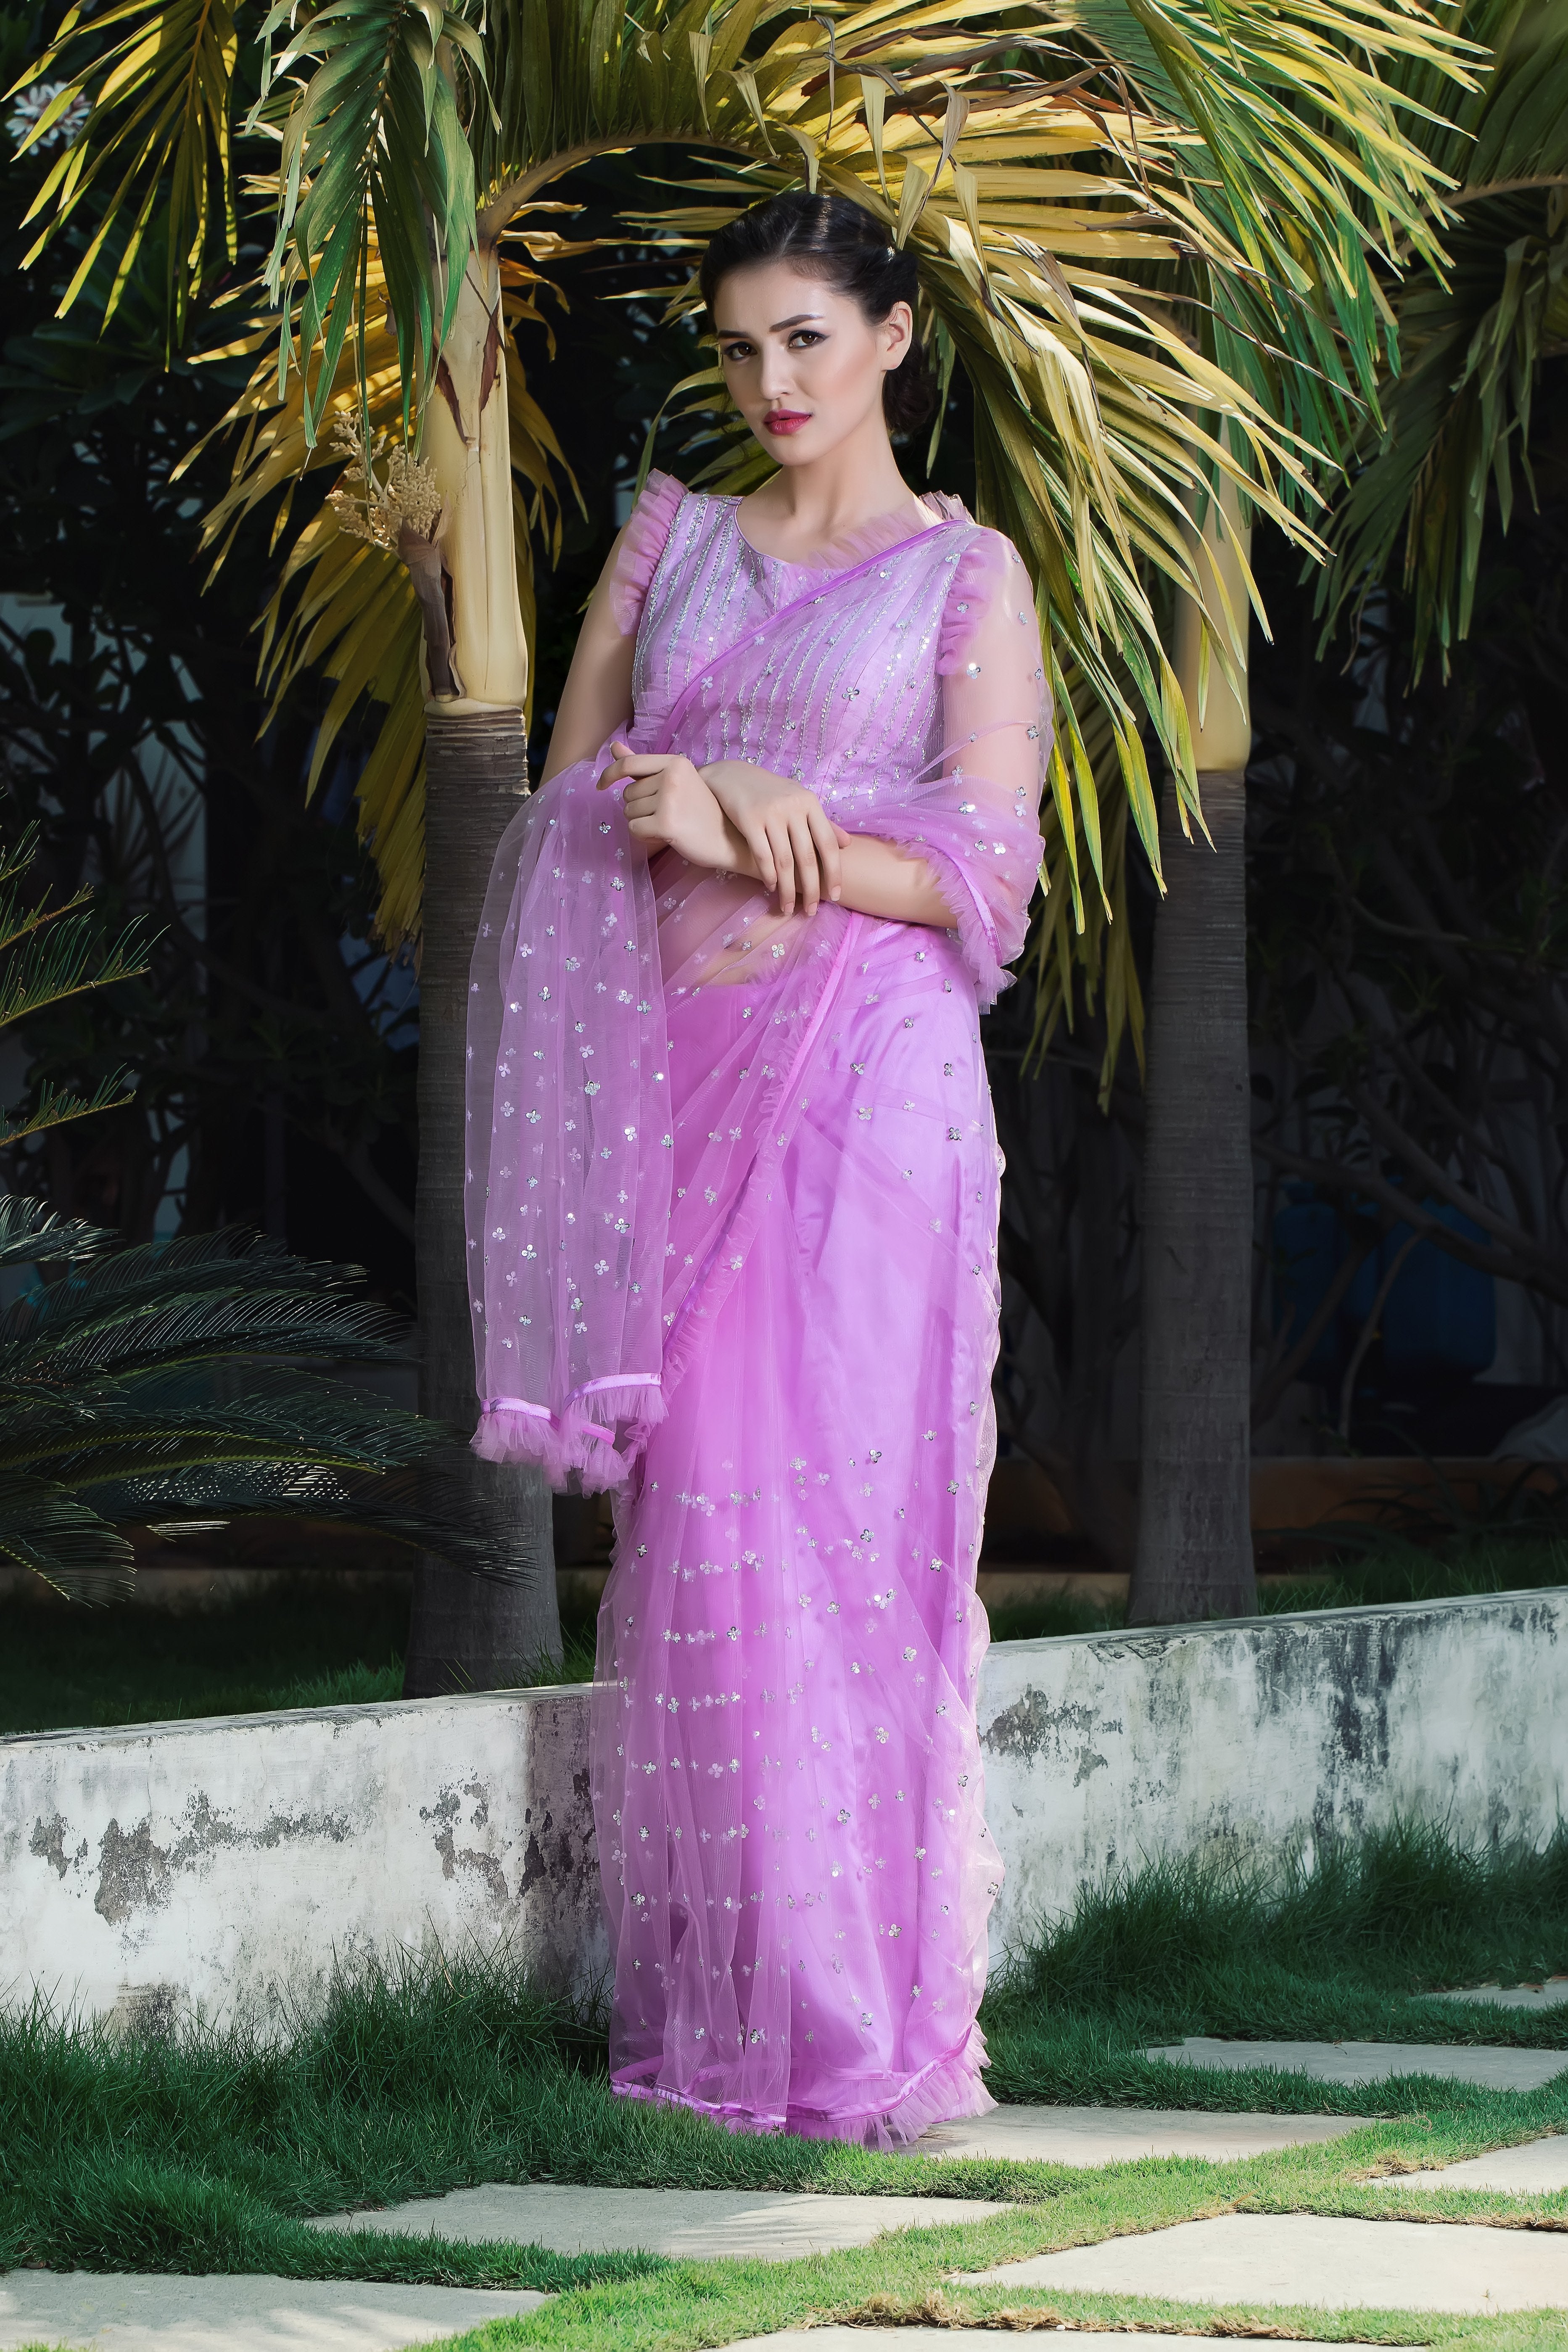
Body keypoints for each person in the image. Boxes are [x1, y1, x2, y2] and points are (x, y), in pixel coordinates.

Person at [465, 190, 1050, 2146]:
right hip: (687, 1081)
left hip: (875, 1089)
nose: (772, 380)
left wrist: (780, 819)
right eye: (739, 347)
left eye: (807, 337)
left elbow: (988, 874)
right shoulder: (672, 540)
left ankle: (865, 2024)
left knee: (857, 1528)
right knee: (710, 1514)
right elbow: (569, 804)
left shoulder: (968, 578)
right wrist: (698, 790)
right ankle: (733, 2011)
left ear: (895, 335)